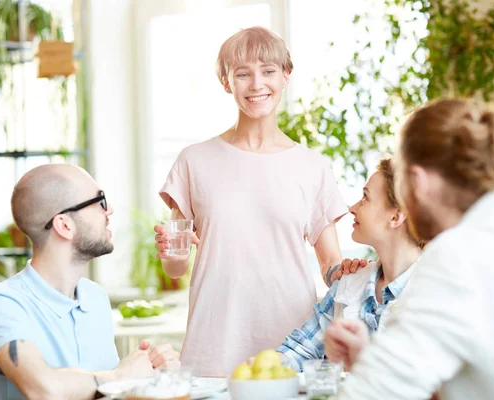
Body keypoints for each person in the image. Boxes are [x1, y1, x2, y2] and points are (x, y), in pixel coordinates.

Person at [153, 26, 365, 377]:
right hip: (213, 347)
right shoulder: (194, 161)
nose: (256, 84)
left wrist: (348, 273)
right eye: (242, 74)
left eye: (268, 72)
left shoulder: (313, 167)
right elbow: (175, 268)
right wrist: (172, 253)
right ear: (226, 82)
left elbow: (330, 265)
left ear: (285, 76)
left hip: (293, 349)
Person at [324, 99, 494, 399]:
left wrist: (377, 372)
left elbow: (373, 394)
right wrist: (369, 359)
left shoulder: (457, 256)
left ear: (418, 181)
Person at [0, 164, 180, 400]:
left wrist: (151, 371)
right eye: (100, 201)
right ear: (64, 225)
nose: (109, 210)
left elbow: (99, 389)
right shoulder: (1, 304)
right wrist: (122, 375)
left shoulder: (95, 297)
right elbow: (43, 389)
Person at [277, 157, 423, 371]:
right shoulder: (350, 282)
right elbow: (303, 348)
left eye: (365, 198)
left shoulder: (435, 292)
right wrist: (263, 371)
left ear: (396, 216)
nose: (352, 208)